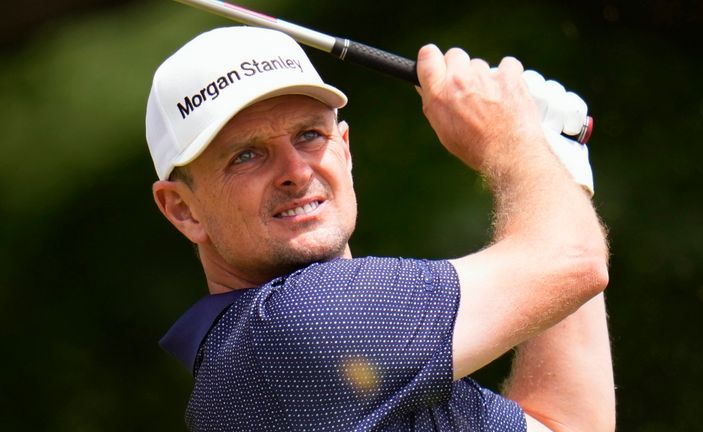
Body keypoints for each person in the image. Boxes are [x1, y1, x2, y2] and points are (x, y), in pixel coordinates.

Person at [146, 26, 613, 432]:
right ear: (183, 209)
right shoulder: (292, 327)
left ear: (345, 150)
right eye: (245, 155)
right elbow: (573, 261)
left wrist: (554, 165)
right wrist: (510, 139)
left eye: (310, 135)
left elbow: (566, 423)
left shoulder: (289, 357)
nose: (296, 171)